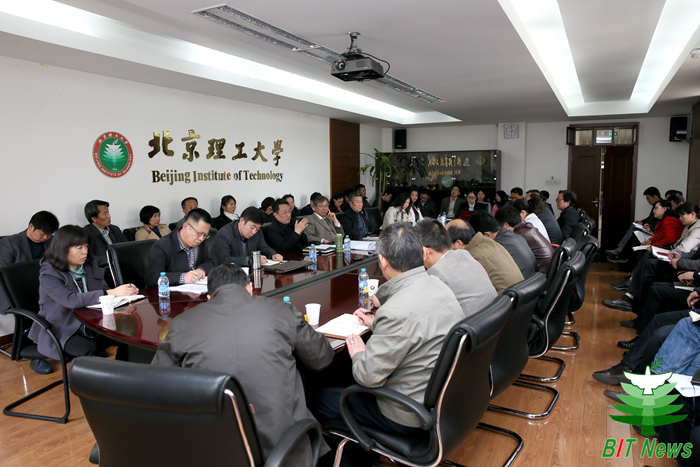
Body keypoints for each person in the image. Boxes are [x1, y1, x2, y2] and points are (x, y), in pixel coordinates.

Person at [152, 263, 334, 465]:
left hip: (212, 450)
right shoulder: (281, 311)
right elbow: (321, 358)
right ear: (250, 288)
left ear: (209, 297)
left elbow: (158, 385)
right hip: (285, 447)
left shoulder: (183, 323)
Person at [312, 223, 463, 464]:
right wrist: (378, 325)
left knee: (317, 397)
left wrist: (359, 353)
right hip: (442, 405)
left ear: (382, 261)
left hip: (406, 415)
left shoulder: (395, 312)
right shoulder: (439, 285)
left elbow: (367, 377)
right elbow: (416, 327)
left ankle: (357, 460)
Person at [27, 225, 137, 367]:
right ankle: (95, 380)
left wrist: (123, 296)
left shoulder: (88, 265)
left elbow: (102, 287)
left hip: (91, 320)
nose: (85, 251)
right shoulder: (49, 274)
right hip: (63, 326)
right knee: (90, 349)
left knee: (127, 334)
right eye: (79, 248)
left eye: (85, 246)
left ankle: (123, 375)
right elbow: (70, 300)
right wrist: (112, 293)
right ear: (63, 249)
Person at [0, 211, 60, 374]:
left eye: (49, 234)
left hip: (46, 288)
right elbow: (3, 275)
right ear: (31, 226)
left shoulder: (51, 241)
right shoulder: (9, 243)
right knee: (41, 309)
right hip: (18, 292)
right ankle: (37, 356)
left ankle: (70, 344)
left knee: (68, 300)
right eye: (42, 234)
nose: (45, 237)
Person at [415, 219, 497, 317]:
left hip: (472, 324)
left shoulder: (436, 274)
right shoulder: (464, 254)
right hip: (494, 318)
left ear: (425, 251)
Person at [446, 219, 523, 294]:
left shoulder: (471, 257)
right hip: (517, 295)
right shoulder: (488, 242)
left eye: (445, 243)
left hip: (504, 299)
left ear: (459, 243)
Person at [144, 208, 214, 287]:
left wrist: (201, 269)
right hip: (169, 292)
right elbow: (151, 277)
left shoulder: (199, 242)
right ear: (185, 227)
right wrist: (183, 277)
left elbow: (209, 262)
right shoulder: (162, 246)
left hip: (194, 290)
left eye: (205, 235)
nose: (201, 238)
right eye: (199, 233)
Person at [469, 210, 537, 278]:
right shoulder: (514, 235)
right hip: (532, 279)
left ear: (487, 235)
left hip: (521, 282)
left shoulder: (496, 246)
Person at [605, 187, 661, 261]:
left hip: (652, 231)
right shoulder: (656, 206)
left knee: (633, 233)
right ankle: (616, 251)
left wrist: (647, 225)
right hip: (649, 228)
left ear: (655, 196)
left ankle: (621, 252)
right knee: (627, 230)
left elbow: (656, 222)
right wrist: (642, 222)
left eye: (648, 198)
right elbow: (649, 219)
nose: (647, 201)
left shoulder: (660, 206)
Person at [211, 207, 282, 266]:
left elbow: (263, 246)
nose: (254, 232)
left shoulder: (257, 232)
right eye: (252, 227)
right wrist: (249, 260)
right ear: (242, 221)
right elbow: (224, 260)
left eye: (257, 229)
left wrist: (273, 254)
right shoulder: (224, 234)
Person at [496, 205, 553, 274]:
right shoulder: (525, 226)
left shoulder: (517, 235)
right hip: (547, 270)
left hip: (540, 273)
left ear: (506, 225)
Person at [82, 199, 127, 268]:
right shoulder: (85, 234)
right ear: (94, 219)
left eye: (108, 212)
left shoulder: (114, 229)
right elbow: (88, 258)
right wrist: (111, 259)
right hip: (103, 270)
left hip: (122, 266)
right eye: (105, 214)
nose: (109, 216)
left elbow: (127, 247)